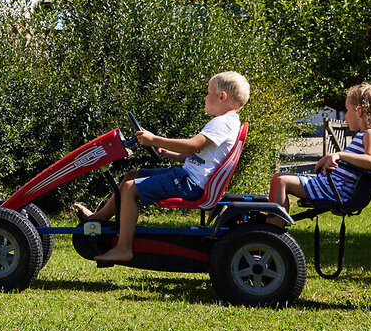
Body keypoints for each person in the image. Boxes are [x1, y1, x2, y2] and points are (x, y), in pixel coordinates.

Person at [73, 71, 248, 262]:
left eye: (208, 93)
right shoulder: (228, 122)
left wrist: (154, 139)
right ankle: (98, 219)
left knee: (130, 188)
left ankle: (123, 248)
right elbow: (194, 157)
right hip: (186, 177)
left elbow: (192, 146)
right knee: (132, 176)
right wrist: (164, 151)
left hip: (189, 183)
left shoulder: (222, 123)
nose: (205, 97)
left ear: (222, 96)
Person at [270, 83, 371, 217]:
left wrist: (339, 155)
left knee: (281, 181)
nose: (345, 115)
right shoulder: (367, 134)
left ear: (360, 111)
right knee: (279, 177)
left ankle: (272, 227)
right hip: (331, 186)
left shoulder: (370, 134)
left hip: (335, 190)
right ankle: (272, 224)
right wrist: (331, 157)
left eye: (348, 110)